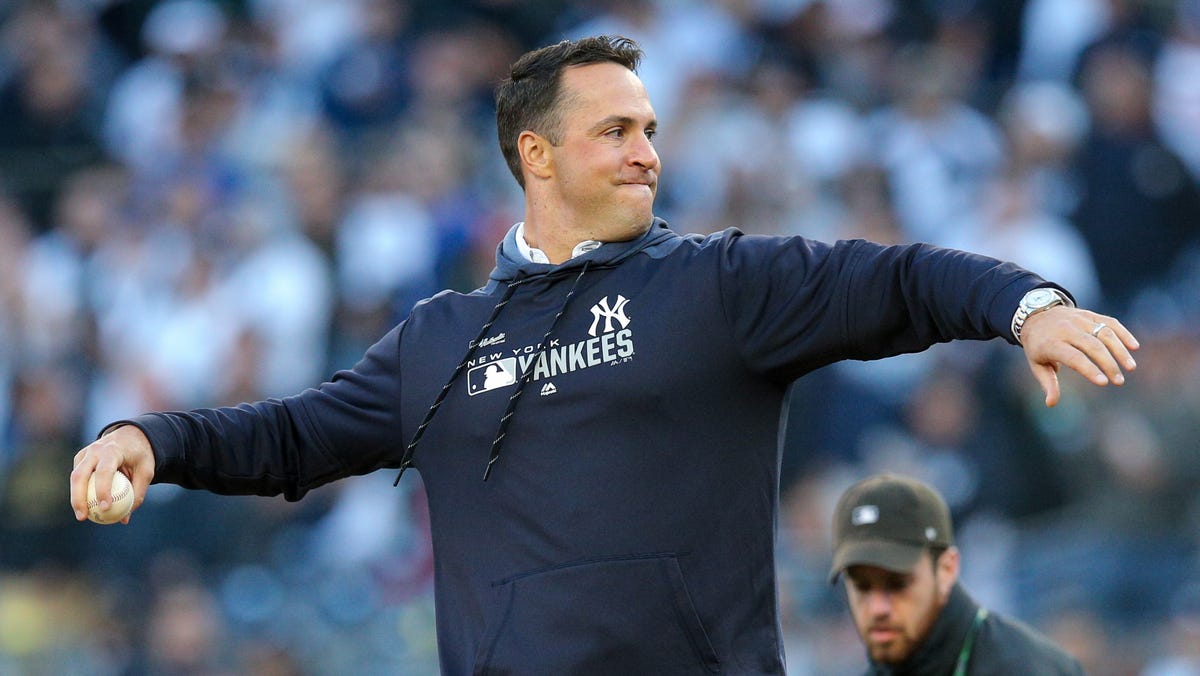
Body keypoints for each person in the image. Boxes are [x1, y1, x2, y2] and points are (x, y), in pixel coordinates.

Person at [70, 35, 1139, 674]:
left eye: (650, 129)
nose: (647, 153)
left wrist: (1026, 304)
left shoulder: (721, 286)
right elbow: (292, 435)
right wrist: (149, 438)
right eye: (616, 131)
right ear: (536, 154)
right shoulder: (439, 339)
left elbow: (894, 281)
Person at [829, 473, 1085, 675]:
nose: (877, 608)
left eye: (898, 584)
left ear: (946, 569)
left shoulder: (1022, 668)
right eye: (862, 587)